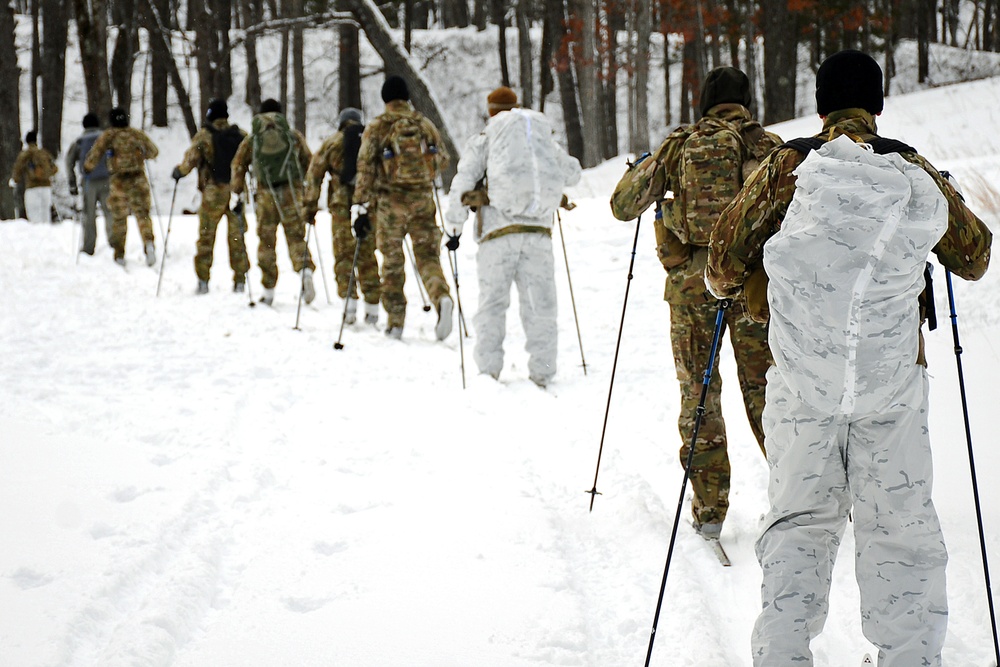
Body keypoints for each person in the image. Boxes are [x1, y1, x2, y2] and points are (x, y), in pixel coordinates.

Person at [705, 50, 993, 666]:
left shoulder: (790, 166)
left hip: (801, 382)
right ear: (879, 105)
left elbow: (721, 263)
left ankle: (783, 656)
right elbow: (974, 256)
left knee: (799, 525)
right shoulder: (909, 169)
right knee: (900, 528)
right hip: (891, 382)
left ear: (819, 105)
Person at [610, 66, 781, 538]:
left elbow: (622, 205)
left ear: (703, 101)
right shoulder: (768, 148)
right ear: (748, 101)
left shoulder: (679, 145)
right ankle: (798, 499)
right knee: (769, 395)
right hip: (753, 289)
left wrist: (644, 168)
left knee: (699, 396)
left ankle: (709, 513)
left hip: (690, 288)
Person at [444, 86, 581, 387]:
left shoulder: (486, 138)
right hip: (539, 233)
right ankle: (543, 371)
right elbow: (573, 173)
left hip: (497, 234)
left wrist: (453, 227)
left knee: (492, 304)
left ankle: (488, 371)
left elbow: (463, 180)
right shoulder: (540, 138)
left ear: (491, 110)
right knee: (540, 306)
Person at [353, 75, 453, 340]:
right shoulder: (424, 124)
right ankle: (441, 296)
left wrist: (360, 205)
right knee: (428, 255)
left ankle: (396, 321)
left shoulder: (378, 126)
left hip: (390, 203)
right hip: (423, 200)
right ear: (407, 97)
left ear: (385, 98)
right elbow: (442, 159)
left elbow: (364, 168)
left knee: (393, 262)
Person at [231, 98, 315, 306]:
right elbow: (310, 162)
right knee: (296, 236)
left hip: (265, 194)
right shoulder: (292, 136)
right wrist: (308, 191)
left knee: (267, 241)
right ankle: (304, 270)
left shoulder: (253, 140)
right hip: (291, 192)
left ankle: (268, 290)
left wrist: (237, 192)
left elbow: (238, 165)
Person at [304, 107, 381, 324]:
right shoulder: (370, 140)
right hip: (367, 203)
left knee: (343, 253)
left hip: (340, 205)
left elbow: (314, 174)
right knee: (367, 252)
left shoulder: (332, 142)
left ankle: (349, 305)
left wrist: (309, 206)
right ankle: (373, 307)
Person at [173, 99, 250, 294]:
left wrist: (179, 172)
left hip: (212, 192)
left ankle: (203, 281)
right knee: (237, 237)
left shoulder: (204, 136)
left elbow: (190, 161)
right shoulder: (241, 135)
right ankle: (240, 281)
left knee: (206, 236)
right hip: (236, 192)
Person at [84, 107, 160, 267]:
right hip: (139, 179)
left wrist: (88, 167)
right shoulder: (136, 134)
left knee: (119, 218)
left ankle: (119, 253)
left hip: (118, 181)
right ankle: (148, 244)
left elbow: (95, 154)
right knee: (143, 215)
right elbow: (154, 152)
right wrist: (141, 153)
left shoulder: (109, 136)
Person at [66, 113, 112, 254]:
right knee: (109, 212)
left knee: (89, 214)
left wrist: (72, 183)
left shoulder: (79, 142)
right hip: (107, 179)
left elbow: (69, 162)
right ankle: (114, 242)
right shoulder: (105, 138)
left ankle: (88, 246)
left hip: (88, 181)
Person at [10, 130, 58, 224]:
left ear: (26, 141)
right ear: (36, 140)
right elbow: (55, 168)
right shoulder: (44, 153)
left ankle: (37, 237)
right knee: (46, 216)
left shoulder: (26, 154)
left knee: (34, 217)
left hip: (32, 188)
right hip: (46, 188)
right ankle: (47, 236)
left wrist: (15, 180)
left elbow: (18, 168)